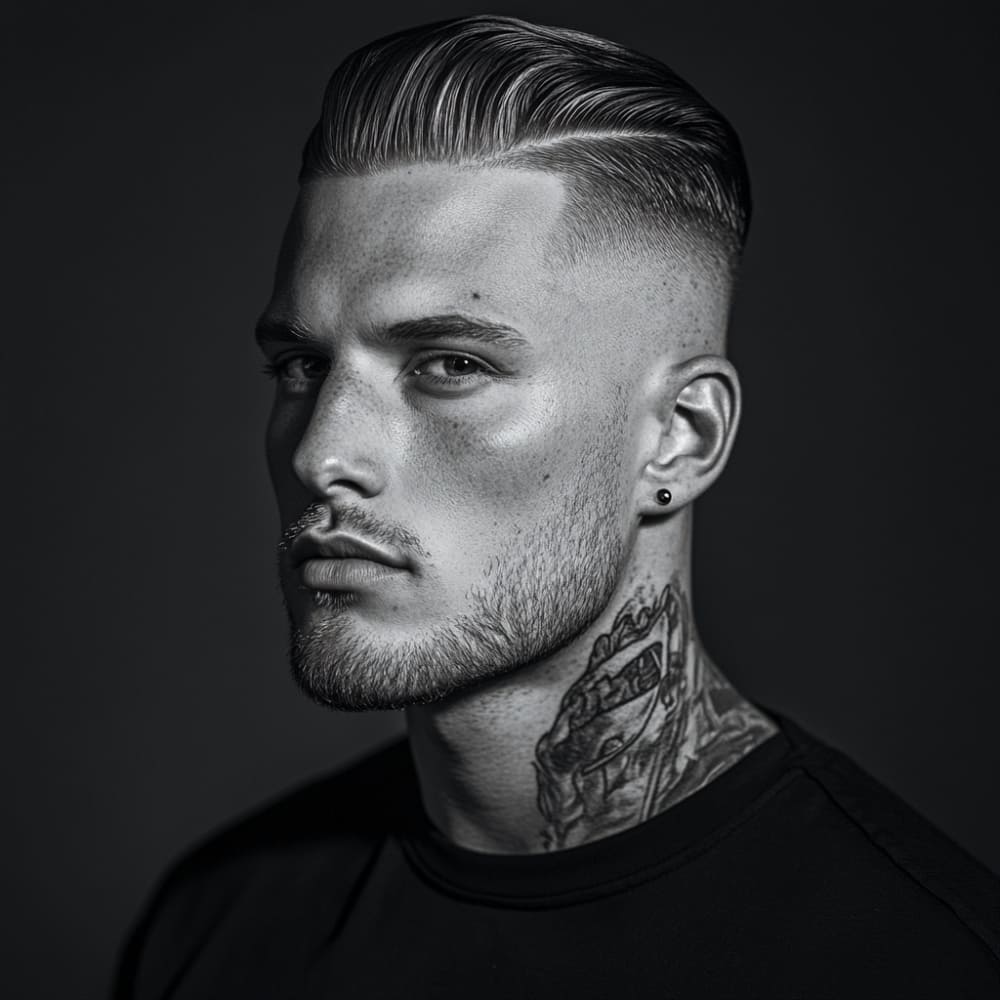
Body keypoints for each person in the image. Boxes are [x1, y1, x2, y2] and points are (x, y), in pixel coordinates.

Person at [115, 14, 1000, 998]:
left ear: (679, 437)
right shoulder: (221, 925)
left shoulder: (923, 961)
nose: (324, 450)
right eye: (299, 364)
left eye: (450, 365)